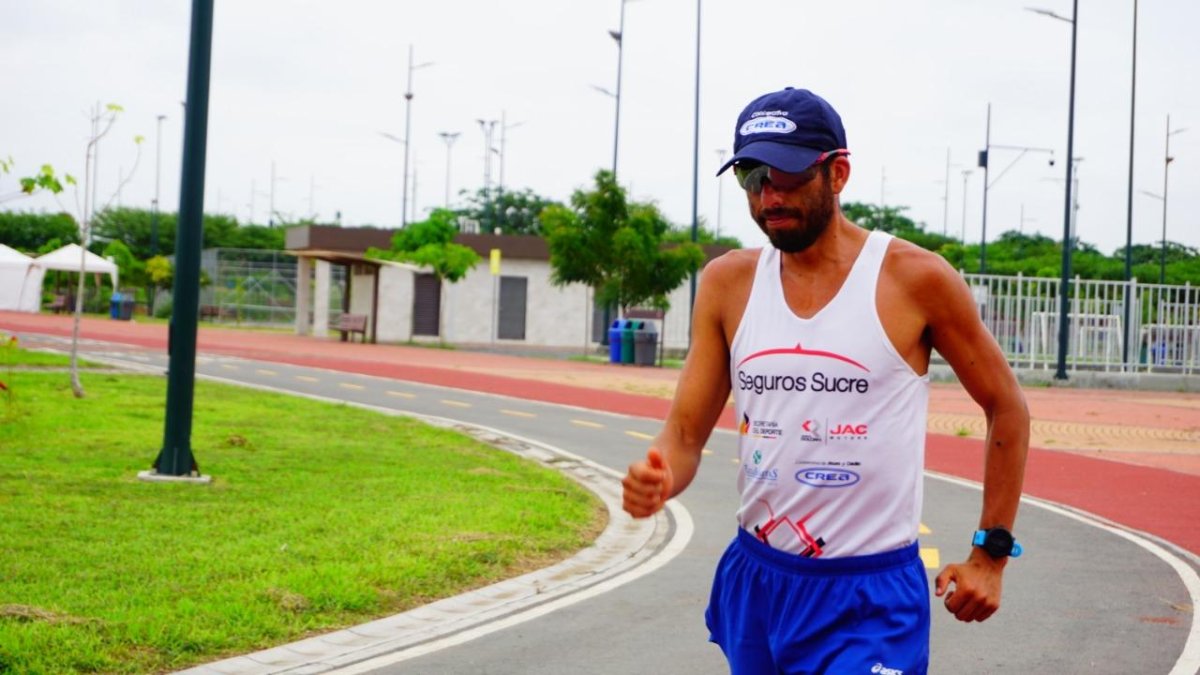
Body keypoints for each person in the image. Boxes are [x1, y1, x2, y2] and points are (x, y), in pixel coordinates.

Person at [621, 87, 1029, 674]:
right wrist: (658, 477)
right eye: (752, 177)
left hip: (869, 596)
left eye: (786, 175)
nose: (769, 196)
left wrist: (990, 554)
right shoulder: (727, 285)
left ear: (837, 173)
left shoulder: (915, 280)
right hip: (760, 581)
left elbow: (1006, 406)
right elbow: (683, 437)